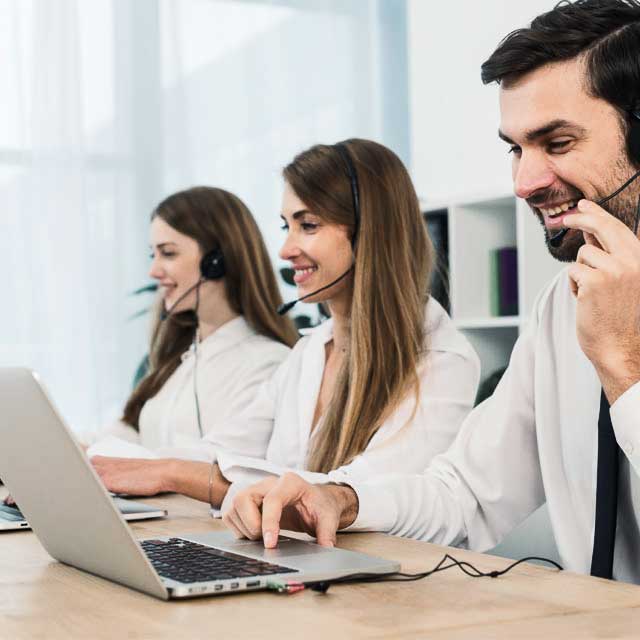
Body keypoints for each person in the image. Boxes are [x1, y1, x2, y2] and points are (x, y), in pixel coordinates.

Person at [222, 0, 640, 584]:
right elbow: (466, 492)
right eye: (516, 149)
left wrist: (624, 366)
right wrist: (343, 500)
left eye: (559, 143)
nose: (523, 182)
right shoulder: (559, 308)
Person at [91, 139, 480, 512]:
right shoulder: (309, 353)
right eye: (286, 227)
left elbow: (358, 494)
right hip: (299, 560)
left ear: (370, 233)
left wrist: (173, 474)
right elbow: (223, 452)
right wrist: (129, 466)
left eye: (308, 225)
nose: (285, 249)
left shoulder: (442, 360)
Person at [86, 186, 298, 459]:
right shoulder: (182, 357)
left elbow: (216, 462)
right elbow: (129, 434)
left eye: (168, 253)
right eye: (154, 255)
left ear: (217, 262)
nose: (154, 271)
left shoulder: (269, 363)